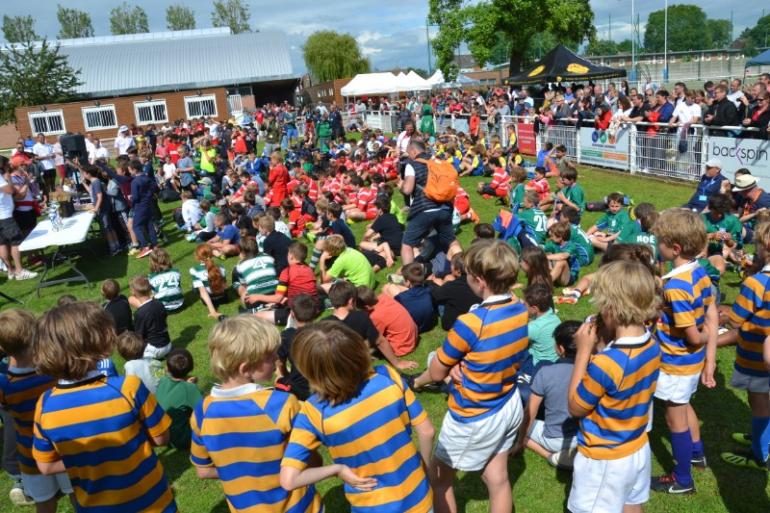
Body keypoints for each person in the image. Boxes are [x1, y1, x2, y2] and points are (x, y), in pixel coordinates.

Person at [32, 301, 177, 512]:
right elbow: (161, 438)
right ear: (99, 340)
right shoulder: (128, 387)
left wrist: (87, 460)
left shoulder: (45, 406)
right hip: (151, 502)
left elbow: (46, 466)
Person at [280, 321, 434, 513]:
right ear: (357, 346)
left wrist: (337, 470)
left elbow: (289, 480)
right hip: (419, 497)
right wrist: (426, 470)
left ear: (307, 369)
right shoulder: (388, 377)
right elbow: (427, 432)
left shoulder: (312, 413)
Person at [428, 240, 528, 513]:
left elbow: (437, 371)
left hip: (475, 414)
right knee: (497, 478)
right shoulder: (520, 308)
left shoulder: (471, 323)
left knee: (438, 480)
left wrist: (452, 365)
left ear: (479, 281)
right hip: (508, 403)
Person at [190, 316, 322, 513]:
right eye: (270, 356)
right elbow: (313, 460)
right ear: (246, 368)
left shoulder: (202, 412)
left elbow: (203, 470)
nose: (277, 359)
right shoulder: (281, 404)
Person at [566, 261, 662, 513]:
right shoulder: (652, 344)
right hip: (637, 445)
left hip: (605, 456)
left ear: (610, 307)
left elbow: (576, 406)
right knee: (631, 504)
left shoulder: (606, 364)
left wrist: (583, 353)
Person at [650, 208, 718, 494]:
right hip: (691, 363)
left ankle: (682, 479)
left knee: (673, 416)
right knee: (685, 404)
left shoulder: (676, 287)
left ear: (674, 248)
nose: (656, 244)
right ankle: (696, 453)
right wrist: (710, 359)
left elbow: (692, 335)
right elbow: (712, 312)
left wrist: (702, 337)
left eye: (659, 241)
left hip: (675, 362)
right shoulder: (698, 271)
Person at [0, 309, 75, 513]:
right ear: (36, 335)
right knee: (77, 494)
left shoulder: (5, 385)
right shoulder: (53, 372)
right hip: (63, 447)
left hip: (30, 453)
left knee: (44, 503)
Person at [717, 221, 770, 470]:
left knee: (758, 399)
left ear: (763, 246)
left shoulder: (757, 283)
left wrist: (720, 313)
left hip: (756, 353)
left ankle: (760, 454)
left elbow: (736, 319)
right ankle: (764, 436)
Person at [514, 320, 581, 469]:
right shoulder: (594, 370)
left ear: (561, 348)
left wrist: (519, 442)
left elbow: (530, 412)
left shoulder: (546, 373)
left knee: (518, 421)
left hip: (553, 439)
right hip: (585, 437)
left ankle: (549, 456)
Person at [327, 280, 416, 371]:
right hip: (356, 364)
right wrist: (397, 363)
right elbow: (380, 341)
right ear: (351, 301)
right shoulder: (362, 317)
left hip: (339, 369)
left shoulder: (325, 323)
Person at [399, 140, 461, 265]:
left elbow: (407, 189)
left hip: (425, 209)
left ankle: (409, 278)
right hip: (445, 208)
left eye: (408, 153)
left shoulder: (412, 164)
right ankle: (462, 269)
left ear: (413, 151)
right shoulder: (439, 161)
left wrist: (401, 186)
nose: (408, 155)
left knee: (407, 244)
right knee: (451, 241)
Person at [253, 242, 319, 327]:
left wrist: (257, 297)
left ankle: (254, 312)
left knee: (258, 316)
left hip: (300, 313)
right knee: (283, 300)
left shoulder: (287, 272)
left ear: (291, 256)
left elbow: (277, 298)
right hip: (314, 310)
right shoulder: (309, 270)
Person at [155, 348, 201, 450]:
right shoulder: (189, 389)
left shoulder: (163, 380)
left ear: (167, 368)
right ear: (191, 367)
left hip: (164, 435)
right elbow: (205, 412)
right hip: (182, 440)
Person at [275, 294, 319, 400]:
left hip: (299, 390)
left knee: (278, 379)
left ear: (292, 314)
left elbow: (280, 363)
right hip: (322, 387)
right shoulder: (323, 333)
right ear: (316, 313)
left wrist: (285, 374)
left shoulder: (287, 335)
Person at [355, 286, 419, 358]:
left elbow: (376, 338)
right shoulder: (384, 297)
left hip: (402, 347)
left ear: (367, 307)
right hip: (414, 336)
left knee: (366, 347)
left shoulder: (375, 316)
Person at [429, 252, 482, 330]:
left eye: (451, 265)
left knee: (440, 298)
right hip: (475, 319)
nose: (450, 267)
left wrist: (432, 283)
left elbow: (435, 295)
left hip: (454, 325)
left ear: (458, 271)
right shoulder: (479, 281)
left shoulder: (453, 286)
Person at [232, 238, 278, 311]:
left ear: (242, 252)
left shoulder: (240, 266)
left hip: (255, 298)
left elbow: (245, 286)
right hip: (276, 293)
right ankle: (270, 305)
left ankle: (253, 310)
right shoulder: (268, 257)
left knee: (244, 293)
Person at [190, 243, 228, 319]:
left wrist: (212, 311)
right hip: (224, 297)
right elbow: (225, 285)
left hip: (211, 299)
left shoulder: (194, 270)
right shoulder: (221, 267)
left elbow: (203, 292)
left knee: (194, 287)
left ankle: (212, 309)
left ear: (197, 257)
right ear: (212, 254)